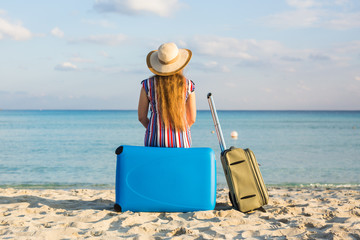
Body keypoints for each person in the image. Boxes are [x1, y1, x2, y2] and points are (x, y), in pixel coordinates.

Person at [138, 42, 196, 148]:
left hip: (154, 141)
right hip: (181, 142)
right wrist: (180, 132)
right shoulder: (188, 85)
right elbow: (191, 119)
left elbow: (142, 117)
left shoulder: (147, 84)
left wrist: (153, 129)